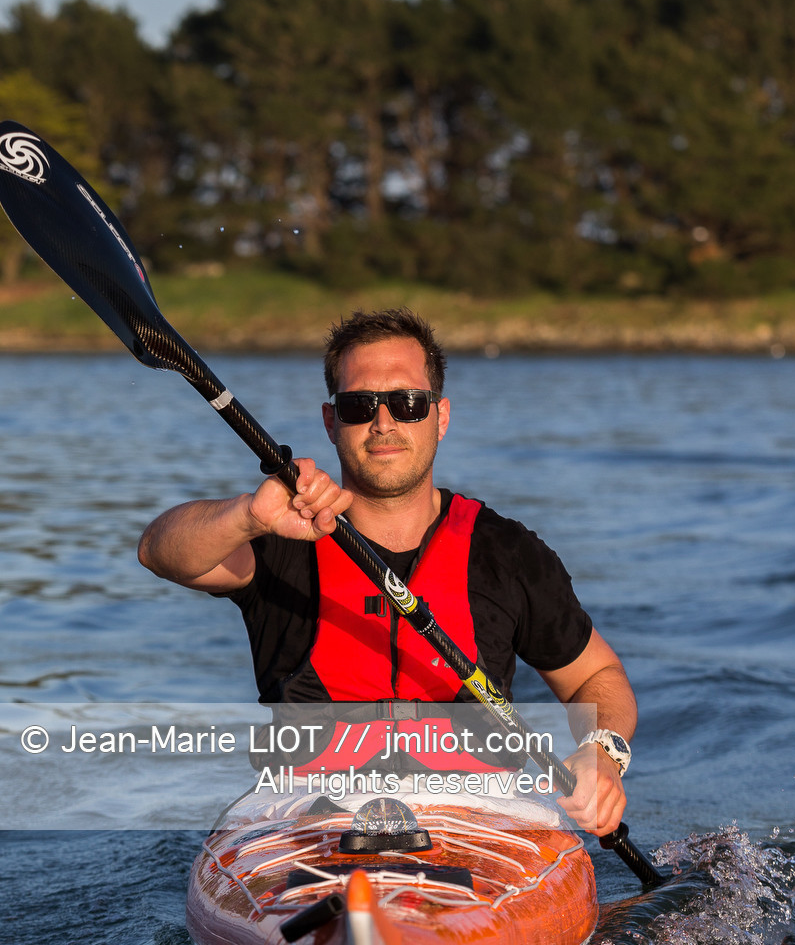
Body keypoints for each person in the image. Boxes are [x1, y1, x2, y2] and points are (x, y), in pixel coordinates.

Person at [138, 308, 636, 836]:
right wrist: (246, 516)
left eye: (407, 403)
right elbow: (160, 551)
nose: (384, 422)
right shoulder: (281, 536)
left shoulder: (507, 552)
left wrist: (601, 753)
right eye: (359, 406)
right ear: (331, 422)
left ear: (440, 417)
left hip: (479, 816)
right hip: (306, 816)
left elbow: (595, 677)